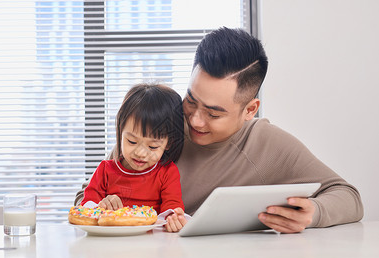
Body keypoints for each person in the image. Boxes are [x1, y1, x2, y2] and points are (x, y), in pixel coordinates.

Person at [76, 27, 363, 233]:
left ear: (250, 110)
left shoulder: (266, 145)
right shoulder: (158, 127)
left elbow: (347, 196)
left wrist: (314, 213)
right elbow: (85, 198)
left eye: (214, 113)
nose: (195, 120)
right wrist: (104, 208)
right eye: (191, 100)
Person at [78, 83, 186, 232]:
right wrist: (101, 206)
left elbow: (171, 207)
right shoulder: (105, 170)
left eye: (152, 146)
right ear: (121, 131)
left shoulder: (167, 172)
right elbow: (86, 205)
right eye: (132, 142)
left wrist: (173, 218)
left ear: (168, 144)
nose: (141, 153)